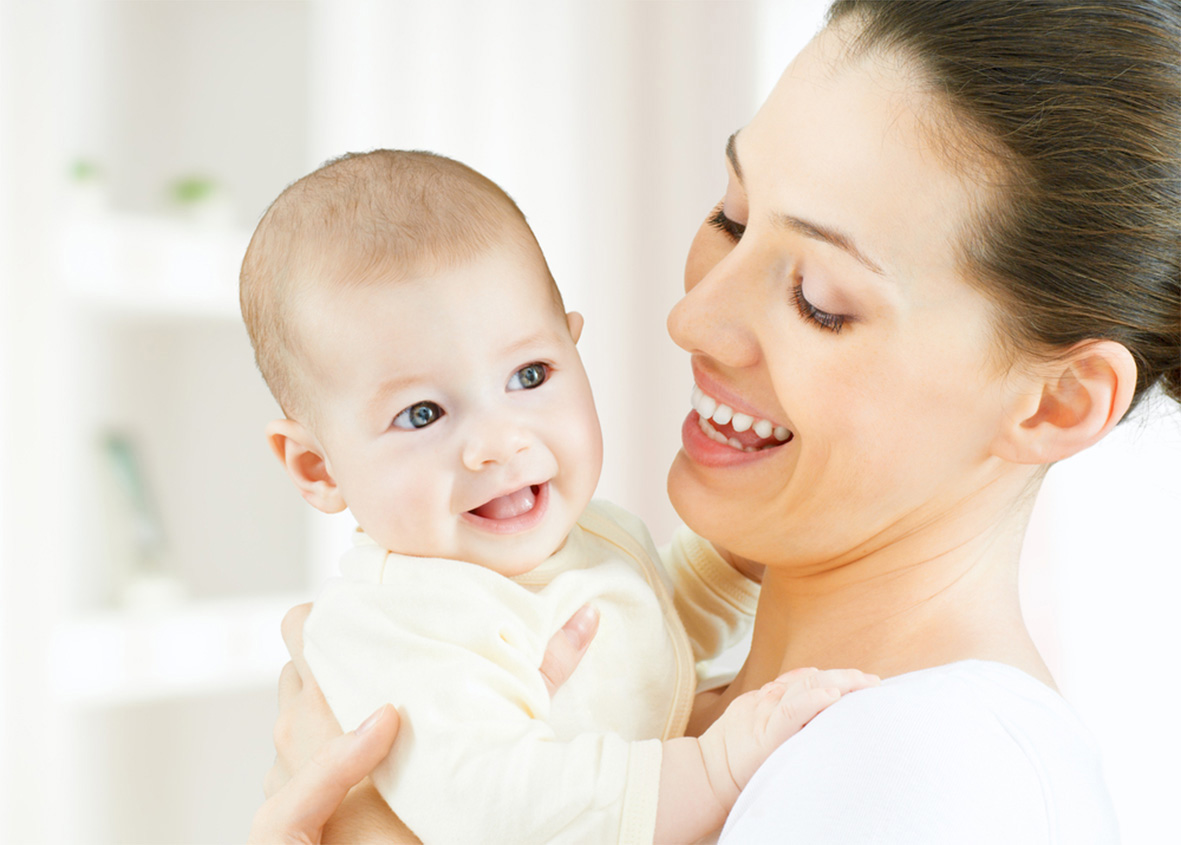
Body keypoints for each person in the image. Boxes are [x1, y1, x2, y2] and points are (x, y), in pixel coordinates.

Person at [253, 0, 1180, 842]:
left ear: (1053, 402)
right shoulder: (681, 708)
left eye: (820, 299)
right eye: (731, 218)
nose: (689, 318)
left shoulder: (927, 776)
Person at [239, 149, 876, 844]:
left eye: (530, 373)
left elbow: (644, 646)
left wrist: (730, 564)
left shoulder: (589, 539)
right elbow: (502, 806)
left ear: (575, 350)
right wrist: (715, 765)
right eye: (422, 413)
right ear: (316, 466)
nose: (498, 441)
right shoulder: (404, 621)